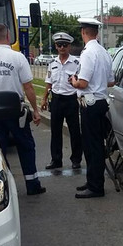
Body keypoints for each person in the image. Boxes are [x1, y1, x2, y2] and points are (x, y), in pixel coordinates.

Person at [0, 23, 46, 195]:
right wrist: (35, 111)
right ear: (8, 36)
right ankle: (32, 184)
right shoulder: (18, 58)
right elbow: (29, 87)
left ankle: (2, 187)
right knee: (26, 146)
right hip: (16, 111)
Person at [70, 17, 115, 199]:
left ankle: (96, 186)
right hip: (100, 101)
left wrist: (73, 81)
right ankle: (92, 181)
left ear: (83, 32)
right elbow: (111, 81)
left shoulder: (88, 53)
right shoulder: (104, 52)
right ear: (96, 32)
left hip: (90, 103)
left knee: (92, 146)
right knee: (95, 145)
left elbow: (82, 83)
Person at [41, 32, 83, 170]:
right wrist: (44, 99)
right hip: (57, 99)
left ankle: (76, 159)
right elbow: (49, 83)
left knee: (74, 131)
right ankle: (56, 159)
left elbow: (81, 81)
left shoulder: (76, 63)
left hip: (71, 100)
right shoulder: (52, 63)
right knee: (56, 131)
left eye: (65, 45)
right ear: (56, 47)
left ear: (69, 46)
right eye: (59, 45)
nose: (62, 47)